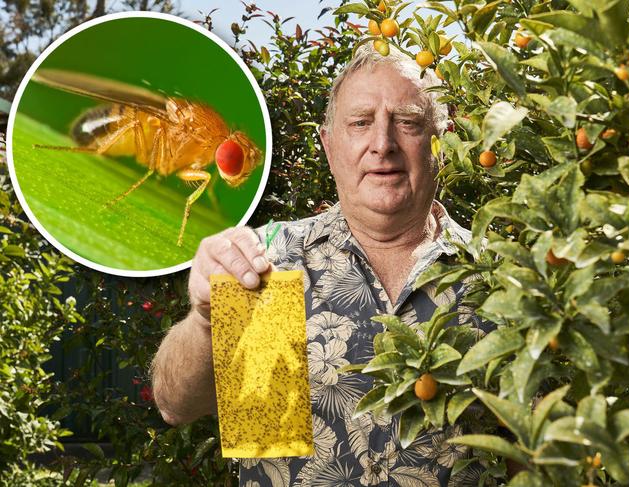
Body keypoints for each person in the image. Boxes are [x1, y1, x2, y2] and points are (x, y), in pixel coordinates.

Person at [151, 44, 490, 486]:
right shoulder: (271, 260)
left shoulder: (495, 273)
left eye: (407, 122)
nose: (382, 145)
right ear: (330, 148)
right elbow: (176, 404)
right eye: (360, 123)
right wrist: (204, 320)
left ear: (440, 141)